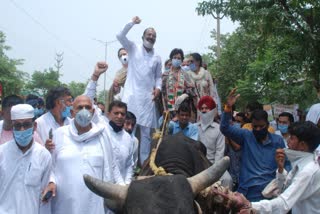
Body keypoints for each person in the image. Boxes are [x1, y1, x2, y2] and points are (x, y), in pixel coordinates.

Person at [217, 121, 320, 213]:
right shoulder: (300, 165)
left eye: (292, 138)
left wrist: (251, 205)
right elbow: (283, 189)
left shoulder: (308, 170)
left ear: (302, 145)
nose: (288, 141)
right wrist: (280, 169)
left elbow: (284, 203)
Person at [47, 95, 117, 214]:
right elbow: (50, 167)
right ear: (72, 112)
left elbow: (112, 167)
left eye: (87, 107)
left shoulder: (102, 135)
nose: (84, 110)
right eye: (80, 107)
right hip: (65, 204)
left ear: (93, 111)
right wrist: (51, 181)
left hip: (94, 204)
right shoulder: (59, 134)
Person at [220, 88, 289, 202]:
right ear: (251, 125)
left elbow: (286, 166)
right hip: (247, 193)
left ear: (267, 125)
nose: (258, 129)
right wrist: (228, 108)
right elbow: (224, 128)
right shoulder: (247, 136)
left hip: (269, 194)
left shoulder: (278, 141)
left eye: (261, 126)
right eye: (255, 126)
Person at [117, 16, 162, 165]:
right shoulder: (133, 48)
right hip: (132, 98)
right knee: (128, 131)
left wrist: (158, 89)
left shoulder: (157, 57)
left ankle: (143, 166)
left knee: (146, 135)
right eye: (149, 35)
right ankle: (127, 163)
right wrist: (132, 23)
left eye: (153, 36)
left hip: (147, 100)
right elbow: (120, 36)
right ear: (143, 36)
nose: (151, 37)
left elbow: (158, 77)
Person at [0, 104, 52, 214]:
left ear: (35, 126)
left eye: (27, 125)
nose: (22, 129)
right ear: (12, 127)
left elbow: (44, 196)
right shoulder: (2, 153)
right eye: (17, 126)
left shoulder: (43, 155)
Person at [106, 100, 135, 184]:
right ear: (108, 115)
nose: (119, 116)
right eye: (116, 113)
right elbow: (111, 163)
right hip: (106, 185)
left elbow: (129, 164)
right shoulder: (103, 134)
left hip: (122, 188)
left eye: (122, 114)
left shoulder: (128, 138)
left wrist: (127, 183)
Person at [162, 48, 194, 112]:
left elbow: (192, 89)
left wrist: (185, 95)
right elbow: (162, 93)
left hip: (182, 109)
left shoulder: (185, 74)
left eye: (179, 58)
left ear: (182, 60)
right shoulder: (165, 75)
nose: (176, 59)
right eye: (175, 57)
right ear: (171, 59)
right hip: (168, 108)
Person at [197, 96, 224, 164]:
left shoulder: (218, 129)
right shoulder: (194, 127)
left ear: (212, 110)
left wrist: (215, 170)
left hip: (212, 164)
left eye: (206, 108)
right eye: (202, 108)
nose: (204, 110)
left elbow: (219, 152)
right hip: (195, 166)